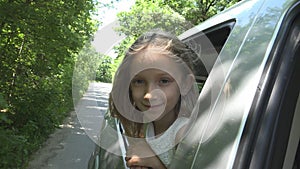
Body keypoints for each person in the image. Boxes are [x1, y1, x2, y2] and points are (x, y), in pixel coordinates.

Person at [88, 30, 200, 169]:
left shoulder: (183, 134)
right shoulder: (146, 124)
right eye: (139, 81)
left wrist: (155, 164)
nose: (149, 95)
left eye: (164, 81)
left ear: (185, 84)